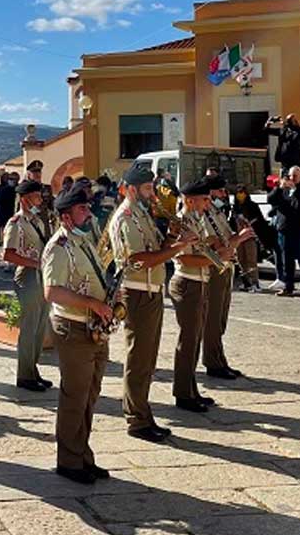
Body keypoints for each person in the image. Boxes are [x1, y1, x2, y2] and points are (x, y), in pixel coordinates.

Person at [107, 165, 196, 443]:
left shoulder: (143, 214)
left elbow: (158, 250)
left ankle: (143, 414)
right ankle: (136, 419)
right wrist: (179, 248)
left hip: (151, 290)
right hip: (136, 292)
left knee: (148, 359)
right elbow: (139, 260)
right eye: (147, 189)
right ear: (132, 190)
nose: (153, 194)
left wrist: (173, 235)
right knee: (138, 358)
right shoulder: (125, 217)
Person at [41, 187, 113, 484]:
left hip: (93, 327)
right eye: (82, 209)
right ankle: (69, 461)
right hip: (73, 326)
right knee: (75, 396)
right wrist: (93, 303)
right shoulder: (58, 247)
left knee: (89, 395)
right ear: (66, 216)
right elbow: (51, 292)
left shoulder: (82, 241)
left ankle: (83, 455)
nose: (89, 213)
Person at [168, 180, 220, 412]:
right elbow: (183, 258)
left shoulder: (196, 220)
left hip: (199, 282)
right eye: (204, 199)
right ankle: (183, 394)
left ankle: (191, 389)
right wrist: (214, 260)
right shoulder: (181, 222)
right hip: (187, 283)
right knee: (188, 341)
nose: (207, 203)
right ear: (189, 200)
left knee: (195, 339)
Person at [2, 179, 51, 392]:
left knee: (40, 328)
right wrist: (35, 263)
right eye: (36, 196)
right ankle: (24, 374)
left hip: (42, 276)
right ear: (24, 199)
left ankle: (33, 369)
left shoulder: (37, 221)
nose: (40, 200)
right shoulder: (16, 223)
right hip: (28, 276)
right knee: (30, 328)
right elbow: (8, 254)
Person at [201, 176, 252, 380]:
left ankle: (219, 358)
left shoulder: (218, 212)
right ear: (210, 192)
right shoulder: (205, 214)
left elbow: (227, 239)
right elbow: (216, 246)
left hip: (226, 267)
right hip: (215, 269)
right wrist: (240, 237)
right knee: (213, 319)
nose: (224, 195)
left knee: (221, 319)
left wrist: (238, 235)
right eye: (220, 191)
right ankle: (213, 362)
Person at [267, 166, 300, 298]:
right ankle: (288, 287)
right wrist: (278, 188)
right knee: (286, 261)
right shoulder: (282, 191)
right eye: (290, 176)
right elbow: (270, 200)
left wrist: (295, 190)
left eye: (295, 176)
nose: (292, 178)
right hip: (285, 230)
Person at [231, 185, 268, 292]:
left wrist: (250, 223)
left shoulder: (252, 205)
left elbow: (259, 219)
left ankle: (254, 282)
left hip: (250, 236)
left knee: (251, 259)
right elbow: (232, 221)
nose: (240, 195)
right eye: (238, 193)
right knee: (241, 260)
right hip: (238, 236)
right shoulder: (235, 207)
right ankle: (246, 282)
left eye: (242, 192)